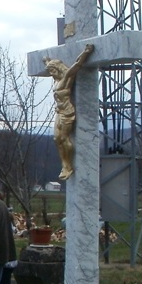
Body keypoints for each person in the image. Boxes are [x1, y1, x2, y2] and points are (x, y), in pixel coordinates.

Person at [45, 43, 94, 181]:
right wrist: (46, 60)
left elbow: (77, 64)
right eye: (50, 72)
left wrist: (86, 52)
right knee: (56, 138)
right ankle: (64, 164)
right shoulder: (57, 80)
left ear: (58, 69)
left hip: (67, 112)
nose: (51, 74)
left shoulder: (66, 78)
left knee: (64, 138)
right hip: (59, 112)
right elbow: (49, 64)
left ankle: (68, 165)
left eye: (53, 71)